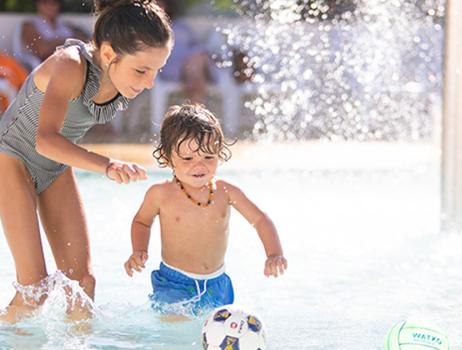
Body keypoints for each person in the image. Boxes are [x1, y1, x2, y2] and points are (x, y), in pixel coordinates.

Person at [0, 0, 173, 323]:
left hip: (52, 168)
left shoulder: (123, 80)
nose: (150, 82)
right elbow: (45, 139)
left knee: (82, 283)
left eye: (156, 71)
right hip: (10, 158)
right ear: (108, 54)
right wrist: (107, 165)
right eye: (142, 70)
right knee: (33, 289)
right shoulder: (71, 64)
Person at [123, 103, 288, 317]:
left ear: (219, 153)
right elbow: (142, 222)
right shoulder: (161, 194)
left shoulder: (226, 192)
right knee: (175, 327)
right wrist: (139, 250)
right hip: (175, 282)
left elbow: (259, 219)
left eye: (208, 157)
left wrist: (274, 253)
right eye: (188, 159)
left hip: (217, 283)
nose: (199, 166)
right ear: (167, 157)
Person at [156, 0, 213, 104]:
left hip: (192, 64)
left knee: (197, 61)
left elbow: (194, 43)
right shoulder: (150, 29)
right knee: (195, 64)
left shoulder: (180, 25)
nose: (158, 6)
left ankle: (194, 106)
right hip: (169, 67)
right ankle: (196, 107)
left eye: (160, 3)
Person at [16, 0, 89, 71]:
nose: (49, 6)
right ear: (37, 3)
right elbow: (42, 50)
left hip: (72, 64)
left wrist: (54, 43)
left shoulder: (66, 25)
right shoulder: (29, 25)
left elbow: (86, 41)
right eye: (44, 2)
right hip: (48, 69)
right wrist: (69, 41)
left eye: (54, 2)